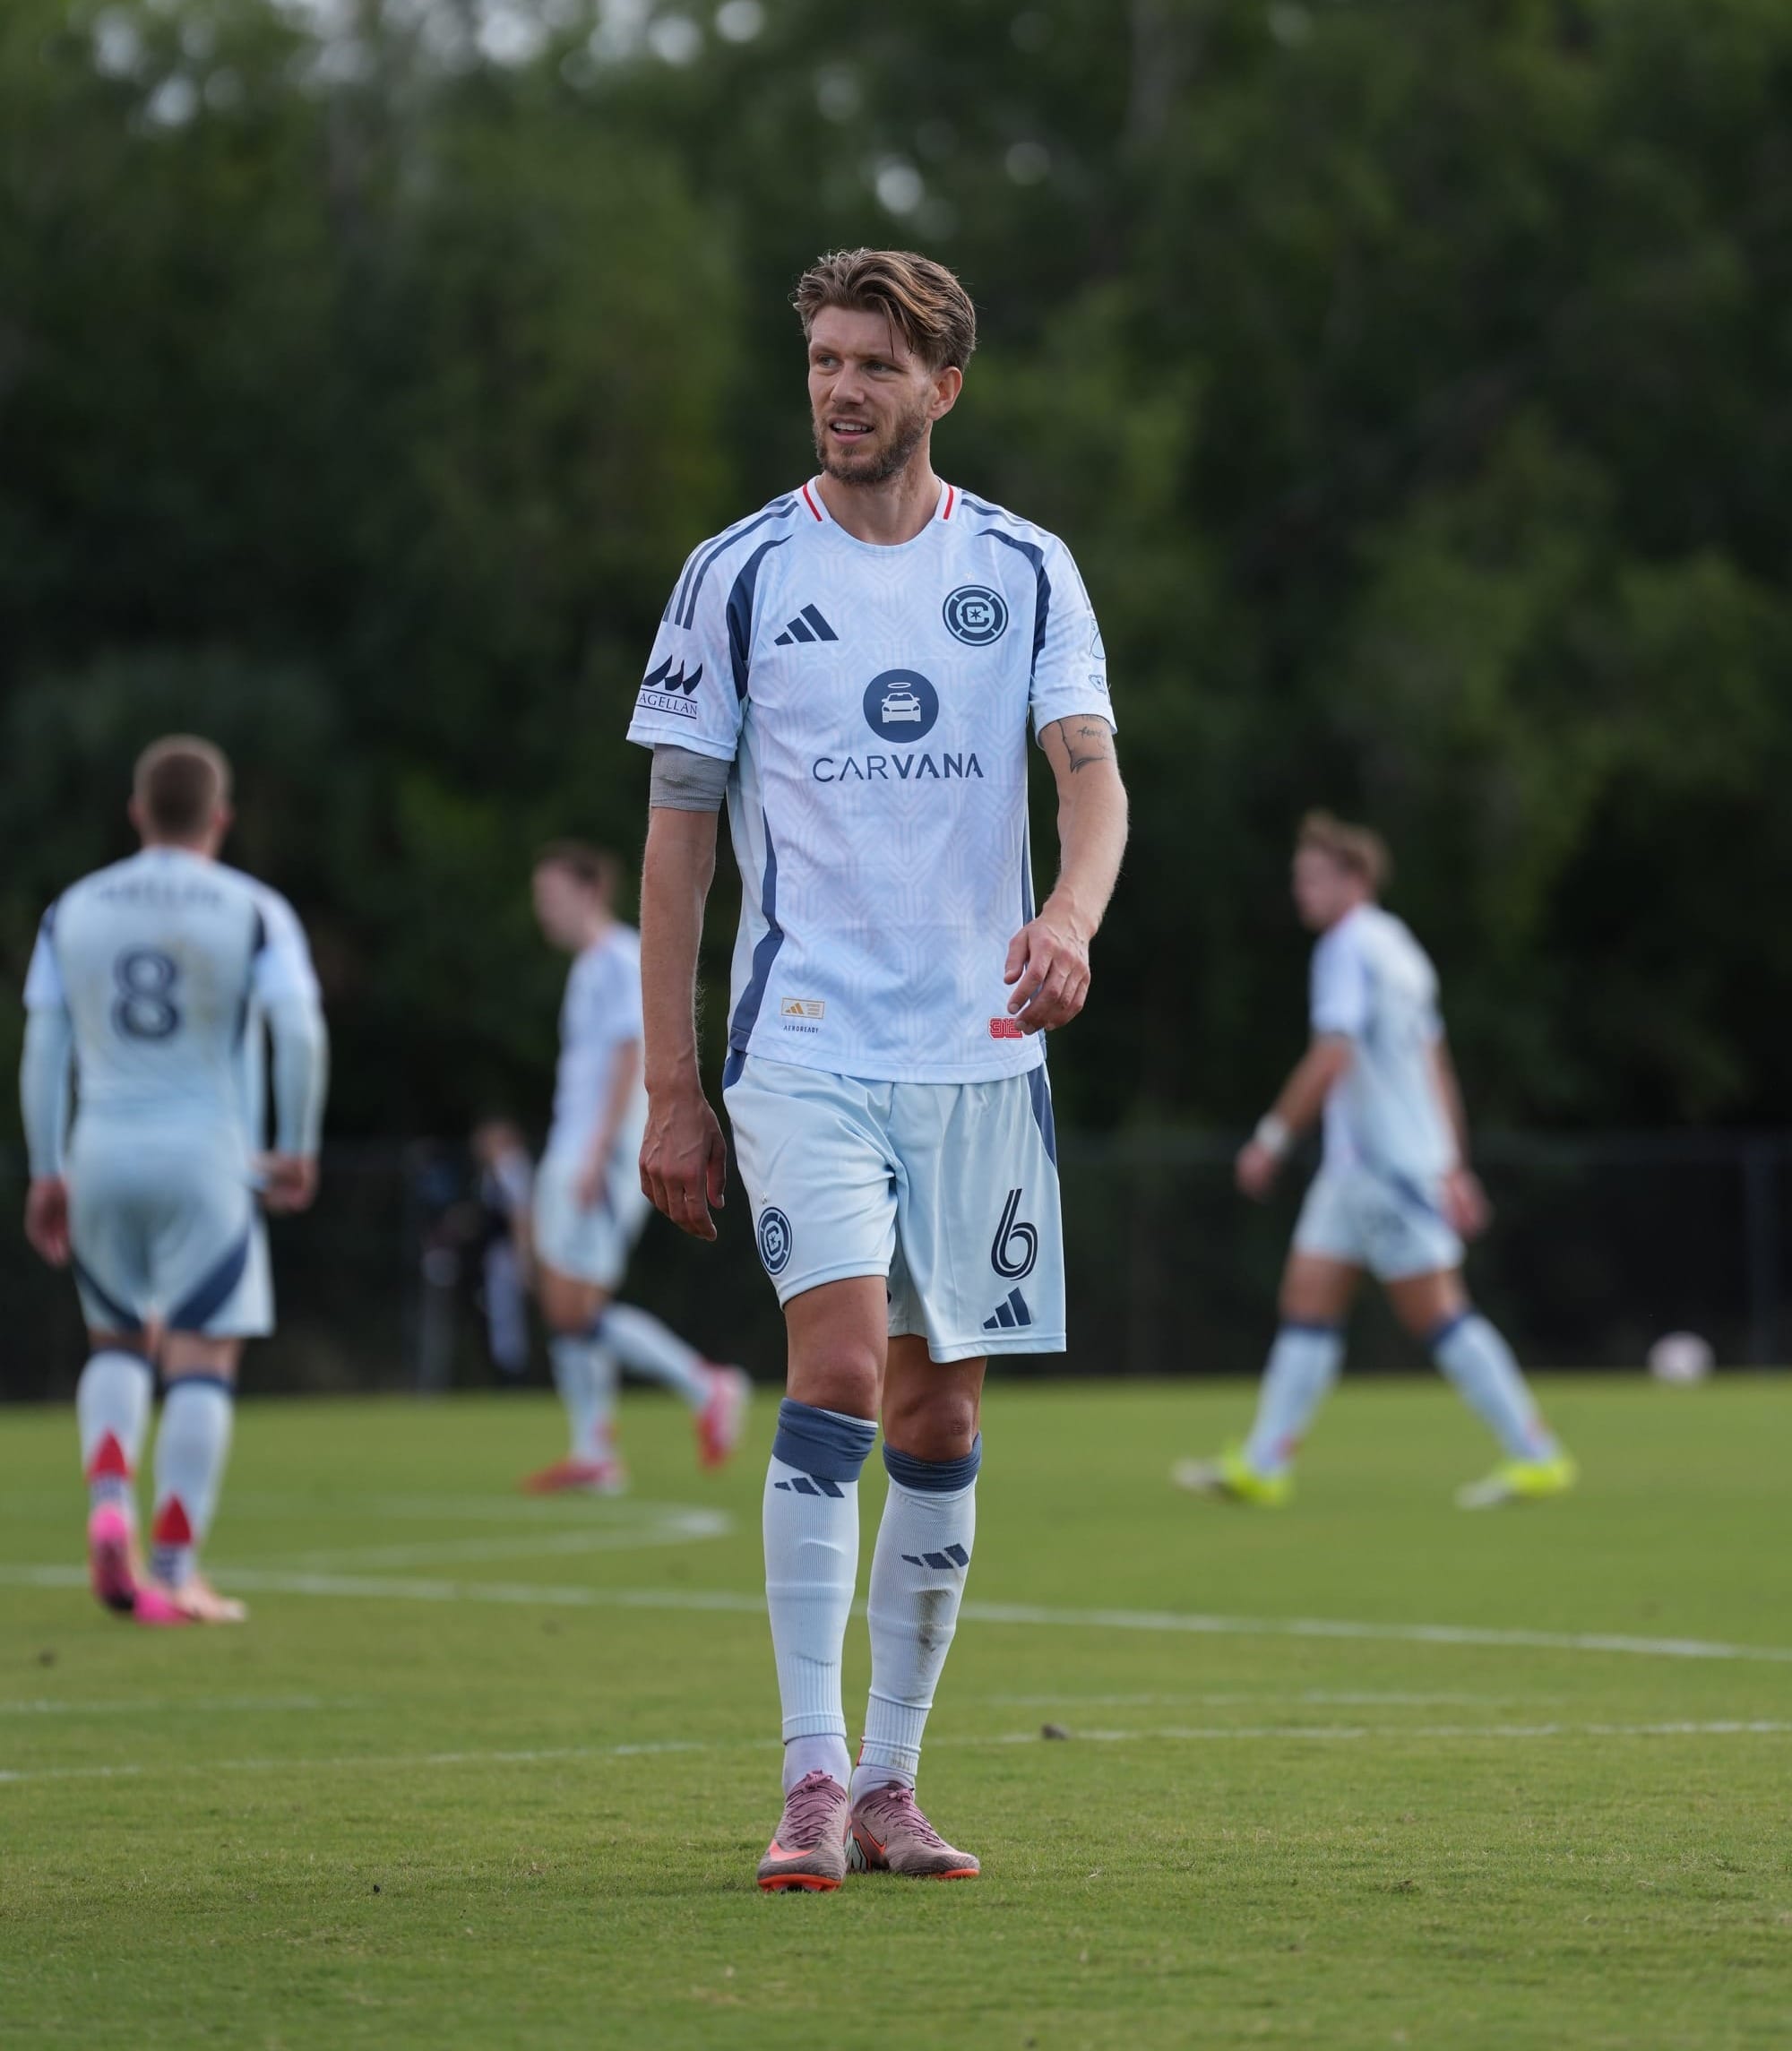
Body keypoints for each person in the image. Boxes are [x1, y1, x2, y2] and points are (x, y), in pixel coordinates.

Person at [628, 248, 1128, 1891]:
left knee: (941, 1402)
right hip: (808, 1042)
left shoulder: (1029, 568)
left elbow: (1093, 782)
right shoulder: (737, 572)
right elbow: (679, 847)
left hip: (980, 1055)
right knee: (838, 1369)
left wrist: (1066, 913)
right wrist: (672, 1083)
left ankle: (896, 1779)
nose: (842, 389)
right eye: (827, 361)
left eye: (875, 366)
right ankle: (807, 1770)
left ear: (944, 387)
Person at [1174, 811, 1576, 1512]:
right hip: (1361, 1170)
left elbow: (1334, 1051)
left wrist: (1270, 1137)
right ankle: (1266, 1462)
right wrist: (1454, 1163)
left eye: (1313, 878)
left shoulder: (1346, 949)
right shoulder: (1401, 947)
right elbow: (1435, 1063)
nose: (1301, 891)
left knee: (1440, 1314)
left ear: (1354, 878)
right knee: (1307, 1300)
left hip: (1382, 1166)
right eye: (1298, 878)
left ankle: (1535, 1451)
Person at [19, 736, 328, 1625]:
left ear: (137, 813)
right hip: (206, 1155)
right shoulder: (252, 907)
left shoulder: (73, 909)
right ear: (220, 819)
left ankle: (108, 1498)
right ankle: (174, 1565)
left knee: (116, 1345)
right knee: (202, 1357)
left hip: (100, 1149)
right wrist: (295, 1144)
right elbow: (298, 1030)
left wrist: (46, 1168)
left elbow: (45, 1047)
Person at [521, 842, 748, 1494]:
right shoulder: (591, 965)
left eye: (552, 896)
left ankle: (704, 1383)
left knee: (575, 1308)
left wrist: (597, 1153)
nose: (545, 911)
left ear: (589, 892)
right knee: (567, 1305)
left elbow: (630, 1052)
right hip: (579, 1149)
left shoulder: (618, 958)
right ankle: (593, 1448)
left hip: (598, 1154)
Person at [470, 1118, 536, 1381]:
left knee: (508, 1316)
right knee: (501, 1315)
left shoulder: (511, 1167)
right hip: (497, 1252)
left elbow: (519, 1216)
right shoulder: (494, 1171)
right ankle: (508, 1370)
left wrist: (524, 1259)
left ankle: (514, 1375)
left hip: (509, 1253)